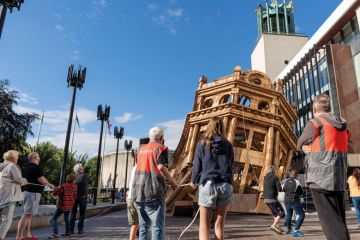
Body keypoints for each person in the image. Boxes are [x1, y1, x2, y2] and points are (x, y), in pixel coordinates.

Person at [297, 94, 350, 240]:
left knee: (332, 226)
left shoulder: (315, 123)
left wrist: (303, 147)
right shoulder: (342, 123)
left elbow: (299, 142)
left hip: (319, 179)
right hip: (338, 180)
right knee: (339, 222)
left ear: (314, 109)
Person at [190, 116, 234, 240]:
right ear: (222, 127)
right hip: (225, 185)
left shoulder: (202, 144)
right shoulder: (228, 145)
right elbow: (231, 165)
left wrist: (193, 181)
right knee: (219, 225)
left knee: (204, 225)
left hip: (208, 184)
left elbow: (197, 165)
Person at [131, 127, 179, 240]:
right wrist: (172, 182)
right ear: (161, 138)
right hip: (153, 191)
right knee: (157, 227)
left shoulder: (140, 150)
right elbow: (161, 167)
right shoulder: (161, 148)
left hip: (138, 192)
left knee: (143, 228)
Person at [16, 152, 55, 240]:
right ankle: (19, 237)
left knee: (28, 214)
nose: (39, 157)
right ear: (35, 158)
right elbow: (41, 179)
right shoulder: (37, 167)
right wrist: (50, 184)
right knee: (26, 214)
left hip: (26, 192)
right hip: (33, 193)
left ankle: (28, 235)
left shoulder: (25, 168)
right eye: (38, 156)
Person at [0, 150, 27, 240]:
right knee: (6, 221)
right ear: (13, 157)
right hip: (9, 197)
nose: (18, 158)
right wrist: (25, 181)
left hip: (1, 196)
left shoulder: (1, 167)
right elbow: (18, 179)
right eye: (17, 157)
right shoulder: (12, 166)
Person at [127, 138, 149, 240]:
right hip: (139, 198)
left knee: (135, 224)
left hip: (130, 197)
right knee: (143, 223)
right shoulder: (143, 167)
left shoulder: (134, 167)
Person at [48, 174, 77, 239]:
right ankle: (67, 232)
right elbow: (75, 196)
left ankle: (55, 234)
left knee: (53, 219)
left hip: (62, 205)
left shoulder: (63, 186)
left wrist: (56, 188)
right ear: (74, 180)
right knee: (66, 219)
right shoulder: (75, 186)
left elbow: (55, 194)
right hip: (70, 205)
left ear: (67, 179)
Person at [282, 169, 305, 237]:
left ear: (289, 174)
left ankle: (288, 229)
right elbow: (301, 192)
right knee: (301, 215)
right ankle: (296, 231)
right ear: (296, 175)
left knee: (289, 214)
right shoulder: (297, 182)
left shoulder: (285, 181)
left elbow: (283, 189)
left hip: (286, 200)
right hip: (294, 200)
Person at [263, 165, 285, 234]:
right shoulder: (275, 177)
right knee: (282, 212)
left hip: (266, 199)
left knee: (275, 213)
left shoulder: (265, 178)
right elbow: (279, 189)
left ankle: (277, 226)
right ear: (274, 171)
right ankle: (274, 225)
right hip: (272, 198)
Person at [69, 163, 88, 235]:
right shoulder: (85, 175)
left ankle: (71, 230)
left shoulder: (72, 177)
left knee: (73, 213)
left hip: (74, 197)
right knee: (82, 214)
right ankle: (80, 229)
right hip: (82, 197)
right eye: (82, 167)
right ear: (81, 169)